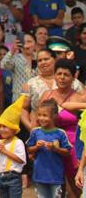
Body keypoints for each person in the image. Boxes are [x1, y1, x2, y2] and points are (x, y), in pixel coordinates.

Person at [38, 60, 85, 196]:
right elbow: (37, 119)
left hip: (73, 146)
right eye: (59, 74)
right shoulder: (46, 95)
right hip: (49, 144)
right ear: (54, 75)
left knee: (76, 186)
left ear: (73, 77)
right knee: (54, 187)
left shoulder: (80, 97)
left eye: (66, 74)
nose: (62, 77)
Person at [27, 99, 72, 198]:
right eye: (39, 115)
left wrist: (55, 149)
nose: (41, 118)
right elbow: (29, 150)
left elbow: (67, 152)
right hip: (39, 175)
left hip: (56, 175)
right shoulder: (35, 132)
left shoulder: (60, 133)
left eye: (45, 115)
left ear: (54, 116)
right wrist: (36, 147)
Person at [0, 96, 27, 198]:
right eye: (0, 126)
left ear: (14, 129)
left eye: (5, 127)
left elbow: (21, 160)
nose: (2, 130)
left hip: (13, 177)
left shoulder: (18, 142)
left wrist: (5, 151)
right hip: (0, 177)